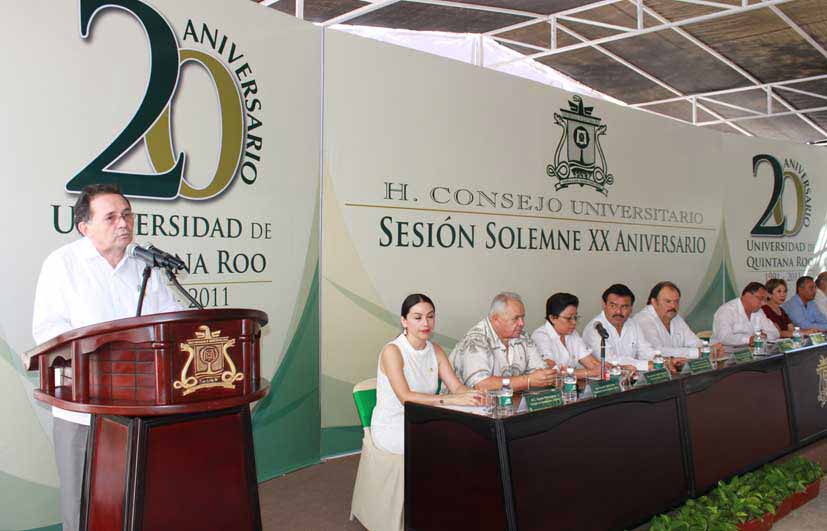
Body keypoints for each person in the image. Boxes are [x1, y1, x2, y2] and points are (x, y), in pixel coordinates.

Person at [31, 184, 182, 531]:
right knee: (82, 501)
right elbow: (49, 331)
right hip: (83, 409)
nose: (123, 223)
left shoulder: (144, 265)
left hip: (139, 405)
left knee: (133, 496)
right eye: (111, 217)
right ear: (85, 227)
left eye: (127, 214)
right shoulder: (63, 264)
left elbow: (170, 320)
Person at [371, 293, 483, 455]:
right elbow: (406, 398)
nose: (425, 323)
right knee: (447, 442)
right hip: (394, 425)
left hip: (426, 418)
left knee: (475, 423)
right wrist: (451, 399)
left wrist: (476, 396)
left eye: (430, 317)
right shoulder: (392, 351)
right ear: (404, 321)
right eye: (418, 318)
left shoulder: (435, 349)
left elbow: (456, 387)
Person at [449, 292, 558, 392]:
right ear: (496, 319)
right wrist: (527, 380)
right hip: (463, 408)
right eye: (516, 318)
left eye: (522, 317)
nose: (522, 323)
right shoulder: (476, 340)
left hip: (507, 404)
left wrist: (547, 376)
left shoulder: (522, 336)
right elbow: (481, 385)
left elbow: (540, 372)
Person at [632, 281, 724, 366]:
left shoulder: (675, 317)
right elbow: (657, 351)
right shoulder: (643, 320)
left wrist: (710, 349)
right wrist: (697, 352)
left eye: (676, 301)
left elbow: (694, 342)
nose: (673, 306)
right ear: (654, 302)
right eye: (668, 301)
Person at [583, 283, 653, 372]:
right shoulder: (595, 328)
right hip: (604, 383)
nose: (619, 311)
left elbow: (645, 350)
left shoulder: (633, 324)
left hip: (630, 378)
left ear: (631, 308)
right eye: (613, 306)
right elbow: (609, 360)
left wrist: (662, 361)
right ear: (604, 305)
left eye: (624, 307)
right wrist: (646, 365)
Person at [531, 293, 600, 379]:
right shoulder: (540, 336)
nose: (574, 322)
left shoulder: (572, 333)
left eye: (575, 317)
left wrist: (602, 368)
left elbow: (591, 362)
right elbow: (552, 372)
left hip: (572, 385)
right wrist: (589, 373)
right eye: (569, 318)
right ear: (552, 318)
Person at [712, 282, 779, 346]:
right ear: (747, 295)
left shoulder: (758, 311)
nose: (763, 303)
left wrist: (765, 336)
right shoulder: (727, 310)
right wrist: (748, 339)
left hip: (752, 353)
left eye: (765, 300)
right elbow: (724, 337)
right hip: (726, 354)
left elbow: (775, 333)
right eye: (760, 299)